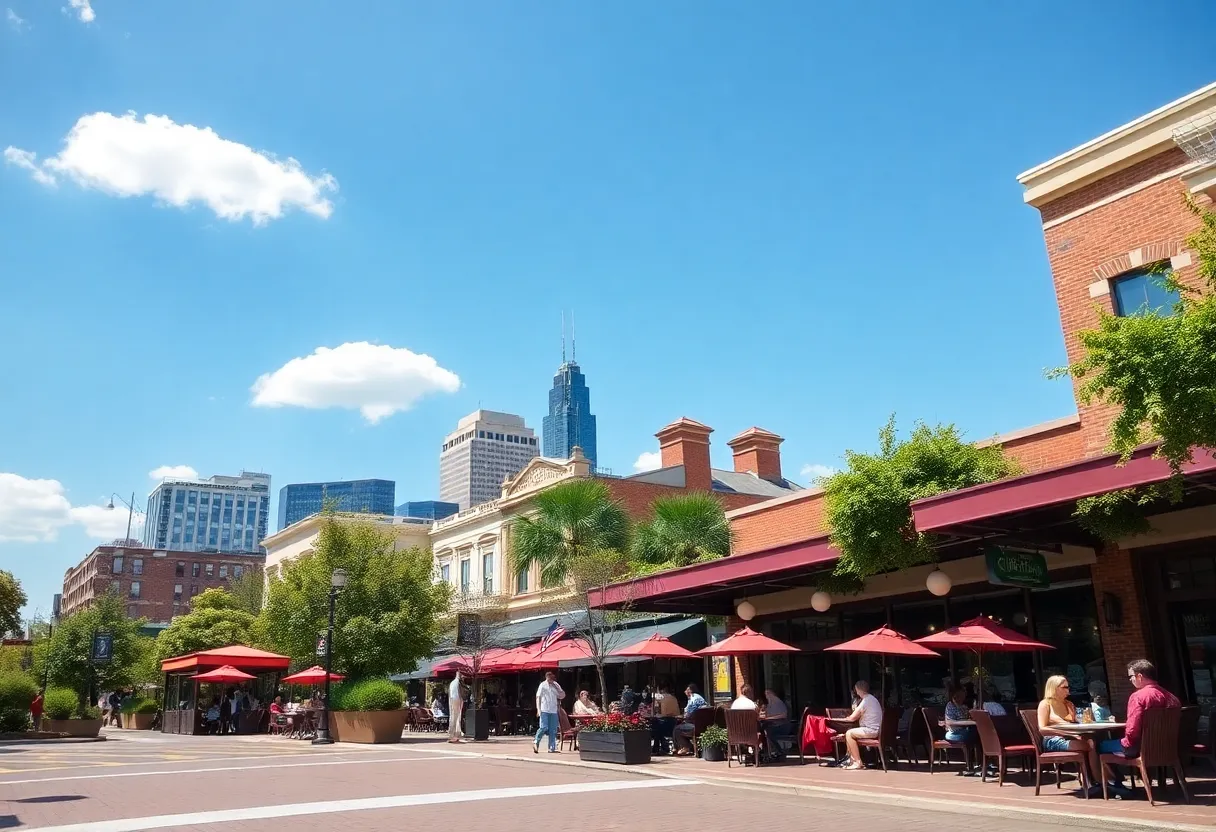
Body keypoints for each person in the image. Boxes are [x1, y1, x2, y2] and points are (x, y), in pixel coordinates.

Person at [1099, 660, 1180, 760]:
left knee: (1097, 746)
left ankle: (1108, 776)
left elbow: (1132, 730)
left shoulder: (1138, 697)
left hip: (1139, 747)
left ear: (1139, 676)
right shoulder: (1173, 698)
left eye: (1131, 676)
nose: (1130, 680)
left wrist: (1126, 741)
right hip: (1168, 746)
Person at [1038, 675, 1100, 789]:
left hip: (1072, 737)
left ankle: (1094, 780)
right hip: (1053, 739)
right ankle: (1096, 780)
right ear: (1054, 688)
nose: (1068, 690)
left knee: (1093, 742)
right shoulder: (1045, 704)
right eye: (1065, 687)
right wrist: (1066, 732)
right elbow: (1042, 729)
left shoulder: (1069, 704)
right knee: (1089, 745)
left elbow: (1076, 723)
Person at [841, 680, 883, 771]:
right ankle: (851, 760)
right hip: (876, 729)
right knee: (851, 732)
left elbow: (852, 718)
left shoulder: (866, 701)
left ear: (857, 689)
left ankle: (857, 762)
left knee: (849, 733)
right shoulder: (873, 699)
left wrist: (845, 718)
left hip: (871, 730)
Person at [534, 671, 565, 754]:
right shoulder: (542, 685)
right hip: (544, 710)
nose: (550, 680)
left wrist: (557, 688)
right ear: (546, 677)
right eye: (549, 678)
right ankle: (536, 742)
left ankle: (552, 747)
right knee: (543, 727)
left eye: (551, 678)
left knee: (553, 729)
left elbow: (562, 695)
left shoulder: (556, 685)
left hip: (553, 710)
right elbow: (538, 697)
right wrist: (538, 709)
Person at [671, 683, 707, 756]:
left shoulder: (693, 698)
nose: (685, 691)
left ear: (689, 690)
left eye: (686, 689)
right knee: (679, 727)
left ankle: (686, 747)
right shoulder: (699, 697)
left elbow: (688, 714)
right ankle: (678, 747)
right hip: (703, 725)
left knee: (677, 729)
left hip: (695, 726)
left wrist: (682, 716)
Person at [650, 683, 681, 755]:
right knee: (658, 727)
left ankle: (657, 748)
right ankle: (662, 747)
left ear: (661, 690)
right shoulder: (673, 698)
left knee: (656, 728)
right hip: (673, 722)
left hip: (664, 722)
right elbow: (677, 712)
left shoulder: (660, 698)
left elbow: (655, 711)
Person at [762, 688, 792, 759]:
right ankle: (772, 752)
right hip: (777, 725)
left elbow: (783, 715)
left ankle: (778, 752)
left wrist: (769, 718)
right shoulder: (771, 704)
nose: (767, 696)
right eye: (766, 694)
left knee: (768, 732)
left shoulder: (780, 703)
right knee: (765, 730)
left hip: (784, 726)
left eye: (769, 693)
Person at [448, 672, 465, 743]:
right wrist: (461, 700)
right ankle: (454, 735)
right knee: (456, 717)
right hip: (456, 700)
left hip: (452, 699)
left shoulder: (452, 683)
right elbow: (460, 692)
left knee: (453, 717)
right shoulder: (458, 683)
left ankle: (455, 734)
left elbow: (449, 692)